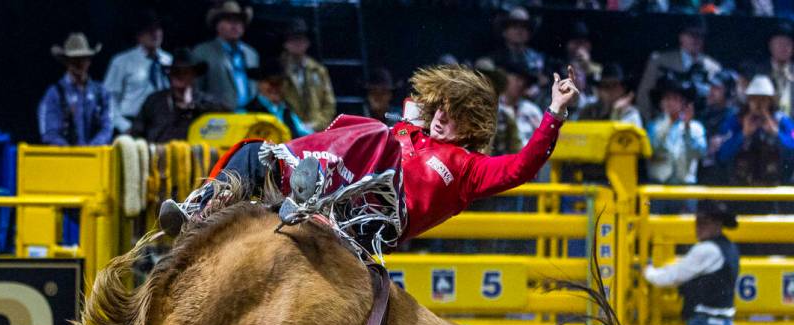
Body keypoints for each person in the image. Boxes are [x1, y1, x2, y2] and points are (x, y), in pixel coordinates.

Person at [159, 64, 579, 248]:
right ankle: (200, 209)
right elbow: (409, 109)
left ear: (471, 128)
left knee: (379, 135)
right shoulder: (410, 130)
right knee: (254, 152)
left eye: (453, 117)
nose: (441, 120)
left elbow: (522, 166)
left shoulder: (469, 169)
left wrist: (554, 113)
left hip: (375, 222)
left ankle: (313, 189)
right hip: (346, 187)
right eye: (440, 110)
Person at [130, 50, 229, 143]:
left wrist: (192, 105)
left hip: (192, 156)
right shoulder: (154, 100)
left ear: (194, 75)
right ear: (169, 74)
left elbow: (226, 111)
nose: (179, 76)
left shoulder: (204, 100)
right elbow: (137, 131)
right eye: (175, 71)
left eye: (185, 72)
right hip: (156, 155)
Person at [636, 17, 721, 121]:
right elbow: (643, 94)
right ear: (681, 37)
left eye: (699, 35)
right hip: (664, 123)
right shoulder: (660, 61)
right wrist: (650, 121)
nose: (695, 39)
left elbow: (718, 101)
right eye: (691, 34)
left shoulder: (713, 67)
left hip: (698, 125)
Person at [103, 10, 172, 136]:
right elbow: (109, 99)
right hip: (132, 124)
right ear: (139, 35)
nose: (155, 34)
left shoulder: (169, 61)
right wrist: (123, 125)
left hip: (162, 125)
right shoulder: (122, 61)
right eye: (149, 30)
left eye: (158, 29)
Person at [717, 74, 794, 187]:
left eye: (763, 99)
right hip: (741, 189)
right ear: (748, 100)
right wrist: (743, 134)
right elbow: (722, 155)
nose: (758, 104)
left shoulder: (782, 121)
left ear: (771, 101)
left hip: (774, 188)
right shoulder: (735, 121)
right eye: (754, 98)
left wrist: (777, 133)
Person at [38, 33, 112, 146]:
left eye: (83, 58)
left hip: (96, 156)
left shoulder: (101, 92)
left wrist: (93, 148)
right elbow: (50, 132)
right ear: (66, 61)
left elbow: (107, 127)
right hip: (65, 159)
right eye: (74, 59)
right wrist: (71, 153)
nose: (79, 63)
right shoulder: (54, 94)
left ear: (89, 60)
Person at [191, 2, 259, 112]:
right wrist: (216, 105)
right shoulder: (202, 52)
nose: (235, 25)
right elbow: (195, 91)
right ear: (217, 25)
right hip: (218, 120)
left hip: (249, 118)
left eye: (239, 21)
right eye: (229, 21)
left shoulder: (252, 54)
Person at [646, 77, 707, 188]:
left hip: (685, 187)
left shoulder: (696, 128)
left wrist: (687, 128)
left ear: (683, 103)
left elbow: (699, 153)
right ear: (661, 103)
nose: (671, 103)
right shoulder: (653, 126)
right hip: (658, 186)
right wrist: (667, 122)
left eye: (676, 99)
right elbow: (651, 150)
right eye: (667, 98)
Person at [279, 18, 336, 133]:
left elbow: (329, 104)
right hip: (287, 132)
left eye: (301, 39)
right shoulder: (279, 70)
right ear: (285, 43)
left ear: (308, 42)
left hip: (317, 131)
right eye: (293, 39)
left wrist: (316, 125)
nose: (298, 43)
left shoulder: (319, 70)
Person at [245, 59, 313, 138]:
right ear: (260, 84)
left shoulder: (287, 110)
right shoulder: (247, 112)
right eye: (271, 83)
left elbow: (305, 133)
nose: (275, 88)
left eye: (279, 83)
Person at [698, 70, 738, 185]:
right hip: (703, 178)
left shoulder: (735, 118)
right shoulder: (703, 115)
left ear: (728, 92)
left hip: (726, 179)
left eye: (717, 88)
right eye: (711, 87)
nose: (711, 92)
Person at [577, 63, 643, 128]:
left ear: (623, 89)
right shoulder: (588, 111)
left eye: (614, 85)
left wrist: (615, 114)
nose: (609, 90)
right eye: (605, 85)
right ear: (599, 89)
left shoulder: (630, 113)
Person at [497, 57, 543, 146]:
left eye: (525, 82)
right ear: (506, 78)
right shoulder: (493, 107)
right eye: (517, 79)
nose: (521, 84)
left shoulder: (532, 110)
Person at [761, 22, 794, 117]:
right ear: (770, 46)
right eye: (779, 43)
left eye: (788, 44)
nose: (783, 48)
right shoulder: (757, 73)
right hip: (767, 125)